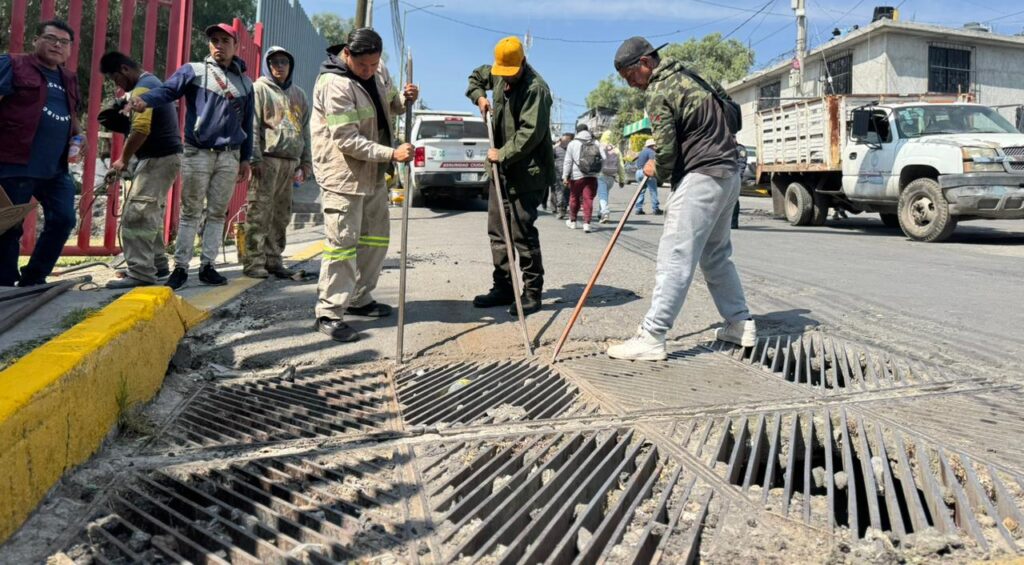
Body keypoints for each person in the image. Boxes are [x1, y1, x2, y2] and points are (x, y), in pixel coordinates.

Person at [607, 36, 756, 361]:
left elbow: (667, 152)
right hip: (729, 172)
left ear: (645, 63)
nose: (632, 86)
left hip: (701, 175)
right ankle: (739, 323)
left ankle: (653, 334)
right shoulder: (695, 74)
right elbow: (731, 116)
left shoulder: (661, 91)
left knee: (674, 256)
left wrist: (653, 167)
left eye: (630, 77)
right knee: (716, 256)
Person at [129, 23, 255, 290]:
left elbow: (248, 124)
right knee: (190, 212)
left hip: (229, 156)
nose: (218, 45)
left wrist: (245, 158)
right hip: (198, 153)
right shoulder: (194, 71)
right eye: (214, 40)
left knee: (218, 213)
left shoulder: (245, 83)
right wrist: (146, 100)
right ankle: (181, 268)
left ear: (236, 46)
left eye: (224, 40)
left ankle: (208, 266)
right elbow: (168, 90)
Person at [311, 28, 417, 342]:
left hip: (373, 174)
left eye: (374, 64)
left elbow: (387, 107)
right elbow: (347, 140)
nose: (369, 71)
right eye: (363, 67)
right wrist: (392, 153)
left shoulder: (378, 70)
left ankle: (359, 296)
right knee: (342, 245)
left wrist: (403, 100)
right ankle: (329, 312)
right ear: (347, 54)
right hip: (342, 175)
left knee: (375, 240)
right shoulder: (334, 84)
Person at [466, 36, 554, 317]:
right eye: (500, 74)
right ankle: (503, 286)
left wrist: (501, 154)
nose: (504, 79)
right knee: (497, 231)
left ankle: (531, 292)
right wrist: (479, 97)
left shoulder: (535, 89)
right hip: (499, 170)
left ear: (522, 62)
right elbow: (475, 78)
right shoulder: (499, 71)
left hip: (526, 173)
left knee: (522, 232)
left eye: (510, 73)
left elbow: (530, 134)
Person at [0, 20, 81, 287]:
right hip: (15, 163)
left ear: (69, 49)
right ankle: (4, 285)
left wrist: (79, 137)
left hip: (55, 168)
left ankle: (34, 279)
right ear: (36, 40)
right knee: (9, 226)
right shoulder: (12, 64)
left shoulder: (68, 78)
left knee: (64, 219)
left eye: (64, 42)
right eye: (50, 38)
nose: (57, 45)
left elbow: (73, 116)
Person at [100, 51, 183, 289]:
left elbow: (141, 129)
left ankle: (140, 272)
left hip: (160, 158)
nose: (117, 86)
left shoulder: (142, 89)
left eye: (116, 80)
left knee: (136, 215)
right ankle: (156, 265)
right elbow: (107, 117)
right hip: (162, 157)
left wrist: (122, 161)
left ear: (125, 70)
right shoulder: (150, 82)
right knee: (148, 213)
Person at [244, 46, 312, 279]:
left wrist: (306, 162)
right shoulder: (259, 89)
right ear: (267, 65)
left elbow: (305, 131)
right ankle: (254, 262)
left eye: (284, 62)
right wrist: (254, 157)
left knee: (281, 214)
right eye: (274, 62)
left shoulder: (299, 95)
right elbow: (251, 124)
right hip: (268, 159)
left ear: (290, 66)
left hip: (290, 162)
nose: (279, 66)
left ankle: (274, 259)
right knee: (259, 212)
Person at [561, 123, 603, 233]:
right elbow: (604, 157)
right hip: (592, 175)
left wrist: (565, 176)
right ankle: (587, 224)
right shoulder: (595, 142)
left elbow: (568, 161)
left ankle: (573, 221)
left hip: (576, 176)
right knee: (588, 199)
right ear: (587, 130)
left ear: (577, 131)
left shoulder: (573, 143)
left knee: (574, 197)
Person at [597, 130, 626, 224]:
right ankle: (600, 213)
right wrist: (622, 179)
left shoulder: (599, 147)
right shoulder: (616, 149)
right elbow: (621, 166)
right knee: (605, 195)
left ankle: (605, 214)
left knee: (602, 195)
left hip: (601, 175)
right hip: (612, 177)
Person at [634, 138, 661, 215]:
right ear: (652, 145)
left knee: (641, 191)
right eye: (654, 146)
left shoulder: (642, 152)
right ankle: (656, 208)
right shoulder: (651, 152)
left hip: (638, 172)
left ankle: (638, 209)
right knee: (653, 191)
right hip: (646, 172)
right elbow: (653, 162)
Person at [550, 133, 572, 218]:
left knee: (559, 191)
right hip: (566, 173)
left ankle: (561, 209)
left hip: (559, 172)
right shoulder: (571, 148)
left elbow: (551, 159)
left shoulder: (556, 149)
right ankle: (562, 208)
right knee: (565, 192)